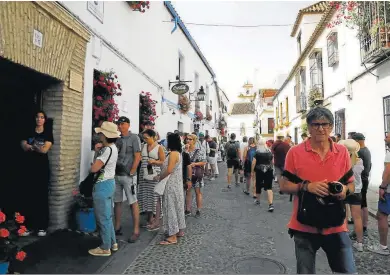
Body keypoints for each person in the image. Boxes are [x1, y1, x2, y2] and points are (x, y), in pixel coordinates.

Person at [280, 106, 356, 274]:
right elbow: (283, 186)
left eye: (325, 124)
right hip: (304, 227)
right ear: (309, 127)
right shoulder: (295, 152)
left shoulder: (342, 152)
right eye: (316, 124)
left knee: (348, 272)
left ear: (331, 127)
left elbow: (352, 185)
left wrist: (344, 190)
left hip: (336, 225)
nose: (321, 128)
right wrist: (306, 187)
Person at [88, 121, 119, 256]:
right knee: (107, 216)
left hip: (102, 185)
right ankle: (113, 243)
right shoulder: (113, 148)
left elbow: (94, 168)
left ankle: (105, 247)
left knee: (102, 217)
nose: (99, 135)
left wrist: (96, 154)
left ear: (105, 135)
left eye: (101, 133)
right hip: (110, 183)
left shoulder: (106, 151)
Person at [20, 110, 54, 237]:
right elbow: (23, 145)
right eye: (37, 117)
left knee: (41, 196)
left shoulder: (47, 133)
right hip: (29, 168)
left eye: (41, 117)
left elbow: (45, 149)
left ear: (45, 120)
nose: (39, 119)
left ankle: (42, 227)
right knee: (28, 195)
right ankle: (28, 226)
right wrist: (31, 147)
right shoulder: (28, 131)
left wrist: (32, 147)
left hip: (42, 169)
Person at [112, 116, 142, 243]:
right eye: (119, 124)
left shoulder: (134, 138)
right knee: (117, 201)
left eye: (123, 124)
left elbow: (137, 156)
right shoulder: (116, 139)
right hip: (116, 174)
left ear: (128, 125)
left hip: (129, 176)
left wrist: (132, 171)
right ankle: (117, 227)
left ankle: (136, 230)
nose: (120, 126)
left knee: (132, 202)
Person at [156, 133, 186, 245]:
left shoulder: (173, 154)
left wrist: (159, 177)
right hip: (176, 184)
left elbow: (169, 170)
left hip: (171, 184)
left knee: (170, 208)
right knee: (177, 206)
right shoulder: (178, 153)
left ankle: (172, 235)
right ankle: (179, 230)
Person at [339, 139, 364, 252]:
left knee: (344, 216)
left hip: (345, 190)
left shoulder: (342, 161)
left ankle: (344, 242)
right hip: (357, 191)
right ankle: (360, 243)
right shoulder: (359, 161)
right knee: (357, 218)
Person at [138, 129, 165, 231]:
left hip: (154, 172)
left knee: (154, 195)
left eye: (147, 138)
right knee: (145, 195)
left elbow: (162, 161)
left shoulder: (159, 147)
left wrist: (154, 161)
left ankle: (155, 218)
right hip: (143, 172)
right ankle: (149, 218)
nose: (145, 140)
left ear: (153, 137)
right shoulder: (143, 146)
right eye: (144, 138)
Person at [368, 132, 390, 255]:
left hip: (389, 191)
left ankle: (383, 246)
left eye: (388, 136)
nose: (385, 138)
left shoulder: (389, 153)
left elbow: (388, 172)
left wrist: (383, 186)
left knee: (382, 215)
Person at [352, 132, 371, 237]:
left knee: (359, 205)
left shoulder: (360, 152)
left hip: (361, 181)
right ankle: (364, 226)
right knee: (364, 204)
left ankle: (361, 228)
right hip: (365, 179)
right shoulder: (366, 150)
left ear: (358, 141)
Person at [185, 134, 207, 216]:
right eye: (187, 139)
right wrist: (186, 151)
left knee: (198, 192)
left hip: (196, 174)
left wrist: (195, 163)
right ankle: (187, 209)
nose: (188, 141)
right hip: (187, 174)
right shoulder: (184, 150)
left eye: (190, 139)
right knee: (188, 191)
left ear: (194, 141)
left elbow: (204, 162)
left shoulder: (199, 150)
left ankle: (198, 209)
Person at [251, 139, 274, 212]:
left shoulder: (257, 152)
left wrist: (252, 171)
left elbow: (253, 162)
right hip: (269, 170)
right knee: (269, 187)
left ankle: (258, 200)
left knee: (258, 185)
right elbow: (272, 162)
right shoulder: (269, 151)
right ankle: (270, 204)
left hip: (259, 170)